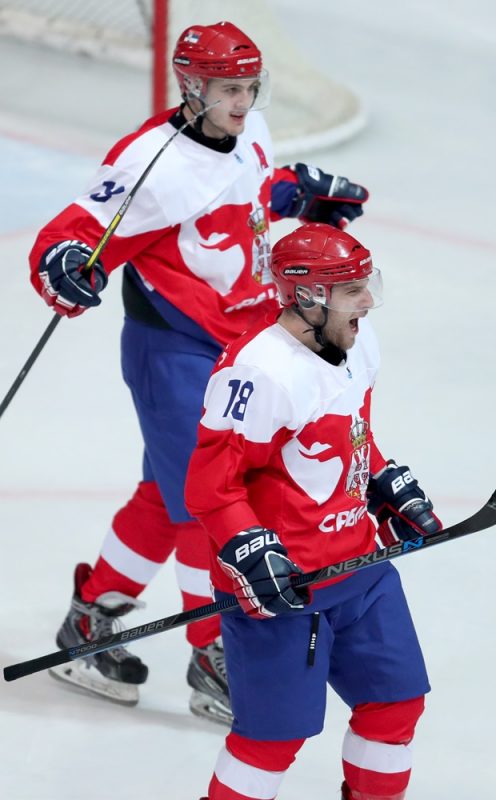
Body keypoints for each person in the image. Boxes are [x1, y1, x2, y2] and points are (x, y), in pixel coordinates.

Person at [27, 21, 369, 724]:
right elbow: (76, 231)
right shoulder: (154, 161)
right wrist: (61, 264)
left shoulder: (253, 127)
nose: (243, 103)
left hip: (239, 342)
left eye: (249, 87)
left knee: (167, 492)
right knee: (206, 503)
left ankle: (89, 621)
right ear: (191, 88)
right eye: (227, 90)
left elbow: (253, 199)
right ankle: (215, 653)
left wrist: (301, 198)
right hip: (173, 350)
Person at [185, 222, 442, 800]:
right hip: (285, 587)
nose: (368, 301)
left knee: (396, 703)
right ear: (309, 296)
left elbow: (349, 433)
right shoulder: (256, 371)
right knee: (272, 740)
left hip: (360, 568)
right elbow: (210, 487)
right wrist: (249, 552)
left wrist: (381, 481)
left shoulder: (356, 342)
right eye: (353, 289)